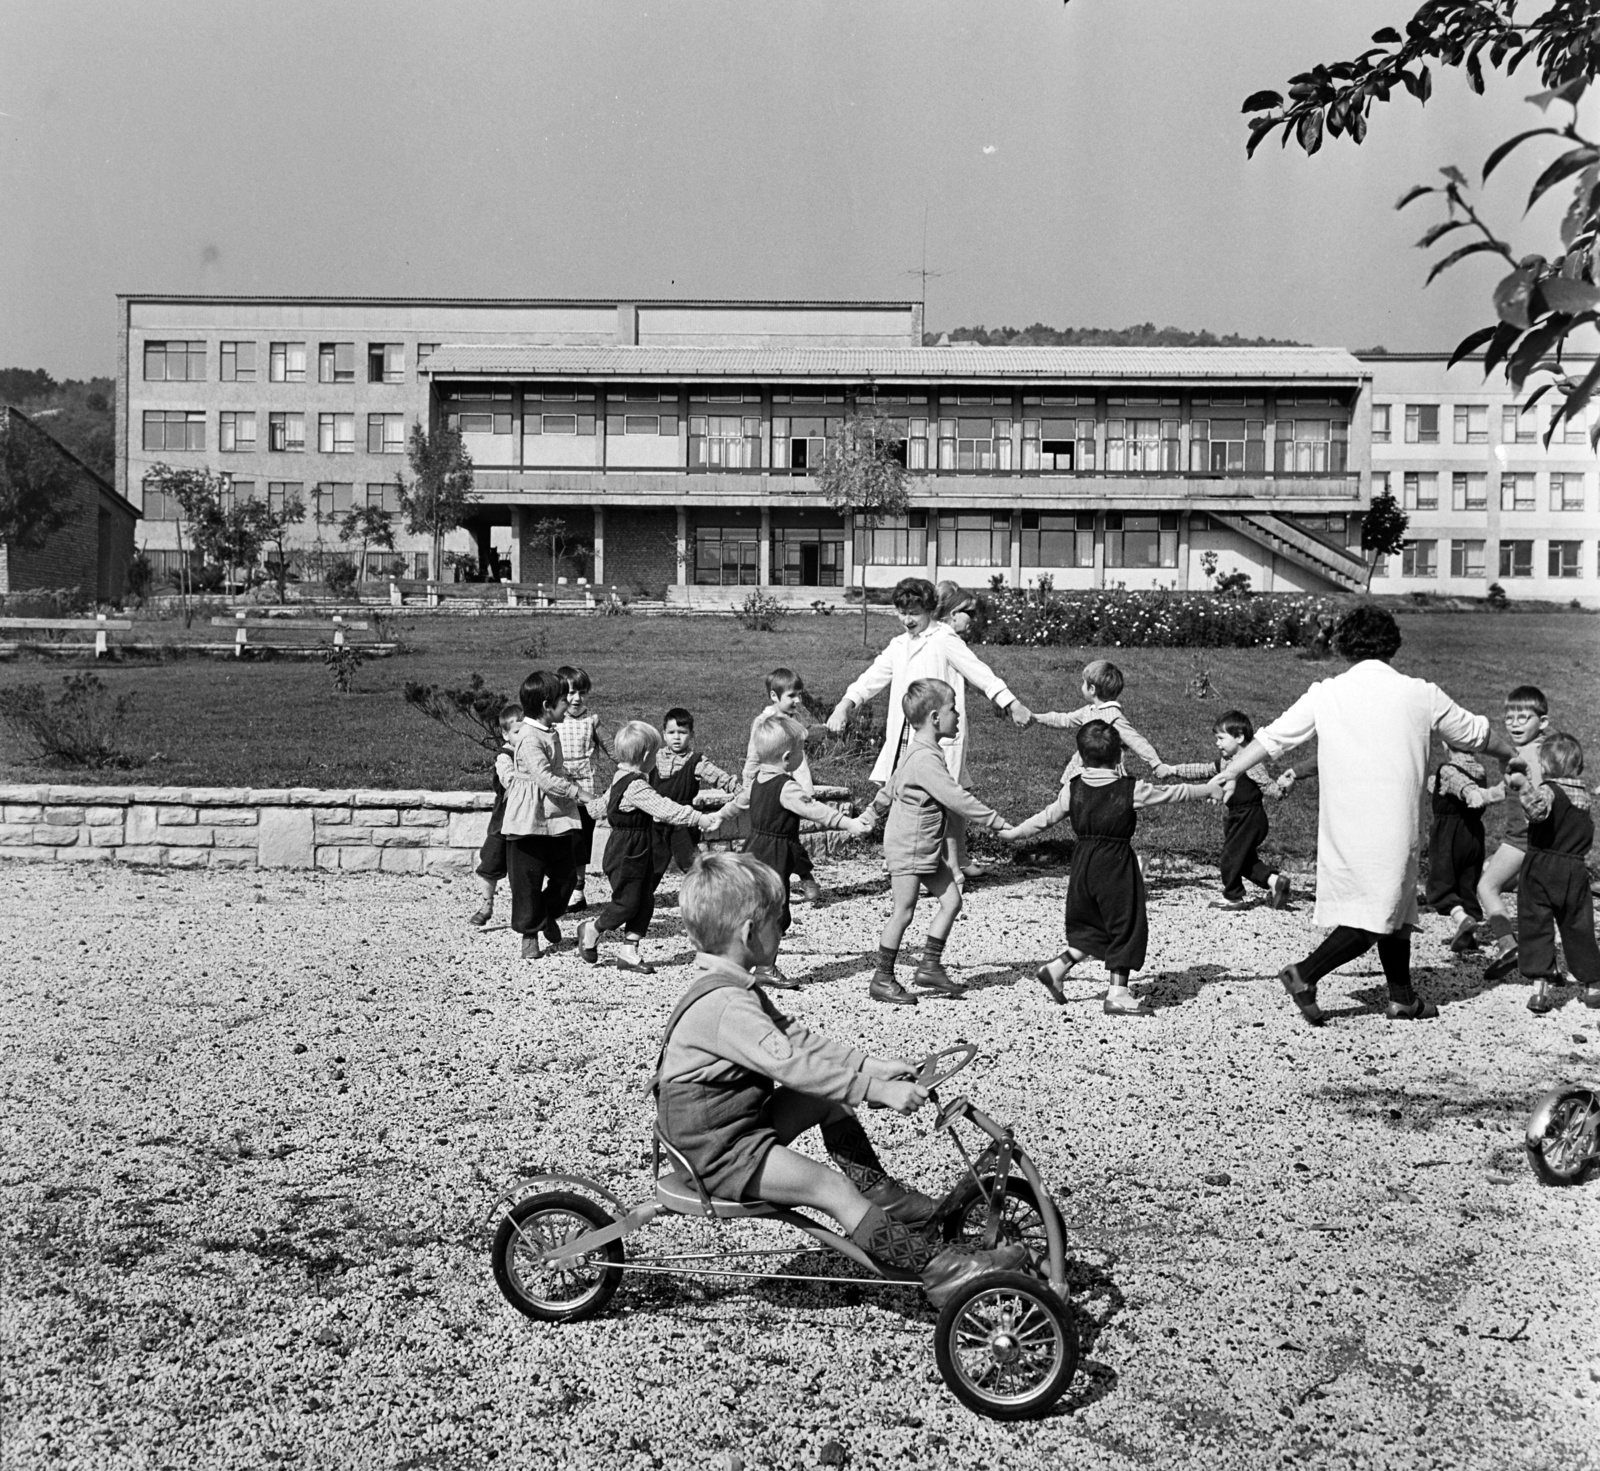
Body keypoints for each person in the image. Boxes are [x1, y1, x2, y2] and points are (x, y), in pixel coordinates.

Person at [654, 851, 1029, 1307]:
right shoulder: (728, 1006)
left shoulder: (734, 988)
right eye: (779, 920)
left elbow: (796, 1038)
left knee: (828, 1103)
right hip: (717, 1155)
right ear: (750, 932)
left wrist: (872, 1066)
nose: (784, 929)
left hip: (730, 1131)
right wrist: (878, 1092)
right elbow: (794, 1066)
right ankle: (943, 1271)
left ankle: (883, 1200)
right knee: (829, 1189)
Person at [1211, 607, 1516, 1025]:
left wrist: (1229, 771)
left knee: (1397, 904)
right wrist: (1515, 757)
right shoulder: (1420, 693)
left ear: (1344, 645)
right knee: (1381, 908)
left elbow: (1272, 737)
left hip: (1343, 822)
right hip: (1393, 822)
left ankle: (1403, 997)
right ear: (1393, 644)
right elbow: (1476, 734)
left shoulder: (1326, 691)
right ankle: (1305, 973)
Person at [999, 721, 1216, 1016]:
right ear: (1120, 758)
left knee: (1092, 923)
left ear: (1080, 756)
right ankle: (1117, 994)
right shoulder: (1130, 790)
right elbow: (1173, 793)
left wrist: (1013, 833)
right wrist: (1208, 788)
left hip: (1082, 863)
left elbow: (1045, 818)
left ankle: (1057, 968)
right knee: (1126, 924)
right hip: (1115, 863)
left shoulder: (1072, 789)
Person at [828, 577, 1033, 885]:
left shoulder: (943, 638)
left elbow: (981, 673)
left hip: (938, 736)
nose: (907, 619)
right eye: (901, 612)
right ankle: (913, 860)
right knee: (908, 797)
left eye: (915, 612)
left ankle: (948, 866)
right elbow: (871, 678)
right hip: (905, 737)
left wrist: (1011, 703)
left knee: (945, 799)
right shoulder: (899, 645)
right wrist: (846, 704)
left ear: (930, 610)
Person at [866, 679, 1012, 1006]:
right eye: (952, 709)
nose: (958, 715)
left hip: (926, 847)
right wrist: (997, 823)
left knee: (952, 901)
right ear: (935, 718)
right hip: (909, 846)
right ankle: (882, 978)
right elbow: (956, 797)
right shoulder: (925, 760)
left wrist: (873, 810)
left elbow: (891, 785)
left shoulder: (918, 750)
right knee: (903, 912)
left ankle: (929, 966)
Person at [578, 721, 725, 975]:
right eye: (656, 753)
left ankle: (629, 952)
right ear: (646, 756)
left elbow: (599, 807)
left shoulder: (621, 778)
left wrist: (585, 806)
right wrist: (697, 817)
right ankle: (592, 928)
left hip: (638, 848)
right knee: (627, 901)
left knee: (645, 900)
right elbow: (664, 809)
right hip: (625, 851)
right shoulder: (636, 786)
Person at [743, 715, 873, 980]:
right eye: (803, 750)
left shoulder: (758, 780)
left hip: (754, 849)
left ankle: (746, 953)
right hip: (774, 854)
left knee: (762, 907)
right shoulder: (786, 787)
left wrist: (719, 816)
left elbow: (739, 802)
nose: (805, 755)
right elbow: (814, 810)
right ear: (788, 757)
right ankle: (764, 967)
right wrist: (847, 823)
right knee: (778, 914)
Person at [501, 670, 600, 960]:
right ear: (547, 706)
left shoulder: (549, 731)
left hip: (556, 814)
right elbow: (544, 779)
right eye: (562, 700)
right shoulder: (530, 737)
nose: (569, 703)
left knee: (566, 873)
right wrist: (579, 793)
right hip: (528, 817)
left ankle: (547, 913)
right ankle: (529, 932)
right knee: (527, 877)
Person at [1505, 733, 1599, 1014]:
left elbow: (1537, 813)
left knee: (1536, 924)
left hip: (1542, 865)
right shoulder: (1584, 797)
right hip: (1574, 868)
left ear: (1544, 766)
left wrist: (1523, 787)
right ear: (1578, 766)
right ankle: (1593, 983)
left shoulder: (1547, 790)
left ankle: (1539, 988)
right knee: (1578, 925)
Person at [1166, 709, 1291, 910]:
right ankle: (1275, 882)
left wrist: (1283, 787)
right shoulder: (1224, 762)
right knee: (1244, 859)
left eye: (1221, 738)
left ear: (1240, 737)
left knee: (1229, 856)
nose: (1217, 743)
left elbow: (1269, 787)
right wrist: (1173, 770)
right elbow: (1202, 769)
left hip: (1250, 816)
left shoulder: (1251, 763)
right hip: (1237, 817)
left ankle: (1233, 897)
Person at [1479, 686, 1552, 980]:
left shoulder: (1530, 755)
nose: (1515, 723)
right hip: (1536, 839)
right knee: (1531, 894)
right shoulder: (1539, 751)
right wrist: (1485, 795)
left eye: (1524, 717)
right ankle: (1547, 962)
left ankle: (1508, 944)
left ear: (1542, 722)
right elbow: (1508, 788)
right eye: (1510, 717)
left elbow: (1533, 787)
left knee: (1486, 886)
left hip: (1521, 837)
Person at [741, 668, 827, 903]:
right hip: (767, 788)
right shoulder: (763, 723)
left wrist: (818, 733)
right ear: (773, 696)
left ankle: (803, 875)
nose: (797, 701)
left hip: (791, 788)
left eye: (799, 695)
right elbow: (753, 755)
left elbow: (803, 740)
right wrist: (748, 783)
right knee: (767, 837)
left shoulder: (794, 721)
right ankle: (764, 882)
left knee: (788, 837)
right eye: (791, 696)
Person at [1034, 659, 1170, 784]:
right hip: (1084, 766)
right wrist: (1036, 717)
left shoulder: (1114, 717)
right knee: (1075, 801)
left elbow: (1137, 741)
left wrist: (1157, 764)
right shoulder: (1088, 711)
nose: (1081, 686)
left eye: (1083, 682)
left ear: (1092, 689)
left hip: (1106, 773)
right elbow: (1065, 719)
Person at [1423, 743, 1503, 954]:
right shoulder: (1479, 770)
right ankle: (1470, 937)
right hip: (1474, 834)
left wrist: (1471, 794)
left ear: (1445, 744)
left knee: (1441, 883)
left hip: (1449, 835)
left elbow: (1460, 784)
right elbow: (1442, 785)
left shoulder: (1448, 770)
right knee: (1467, 882)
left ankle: (1462, 919)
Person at [653, 706, 740, 877]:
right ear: (663, 734)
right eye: (671, 732)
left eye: (682, 732)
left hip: (683, 822)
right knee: (653, 864)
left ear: (691, 735)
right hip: (657, 820)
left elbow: (719, 777)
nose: (676, 737)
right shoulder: (654, 758)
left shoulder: (696, 762)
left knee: (690, 863)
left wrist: (740, 791)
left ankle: (708, 891)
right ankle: (642, 899)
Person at [555, 665, 610, 912]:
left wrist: (629, 765)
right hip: (559, 788)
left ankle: (578, 889)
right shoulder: (554, 721)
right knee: (561, 839)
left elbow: (612, 748)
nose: (576, 699)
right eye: (570, 693)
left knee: (580, 840)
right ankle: (560, 886)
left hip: (586, 789)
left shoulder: (592, 721)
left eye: (582, 693)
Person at [468, 706, 523, 927]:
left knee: (523, 871)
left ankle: (526, 911)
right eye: (518, 732)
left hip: (524, 822)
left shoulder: (534, 752)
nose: (523, 737)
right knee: (489, 864)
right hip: (503, 821)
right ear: (506, 734)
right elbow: (509, 780)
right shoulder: (504, 757)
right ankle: (486, 903)